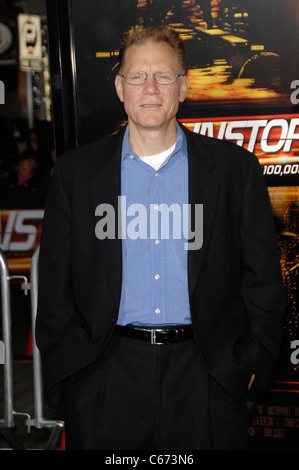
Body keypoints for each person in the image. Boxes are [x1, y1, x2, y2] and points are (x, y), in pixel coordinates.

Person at [36, 25, 286, 450]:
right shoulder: (76, 175)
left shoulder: (234, 170)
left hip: (206, 375)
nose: (150, 88)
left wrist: (247, 365)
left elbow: (263, 278)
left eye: (163, 76)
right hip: (105, 376)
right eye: (137, 76)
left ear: (183, 86)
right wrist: (74, 369)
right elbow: (56, 285)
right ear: (119, 87)